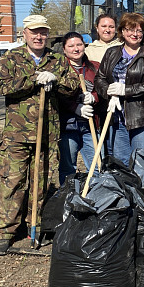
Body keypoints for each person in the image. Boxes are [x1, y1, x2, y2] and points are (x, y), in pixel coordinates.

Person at [0, 15, 79, 255]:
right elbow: (3, 86)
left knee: (40, 184)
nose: (39, 37)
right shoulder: (12, 57)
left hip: (46, 134)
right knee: (12, 182)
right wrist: (33, 79)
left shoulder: (57, 59)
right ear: (25, 33)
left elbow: (73, 86)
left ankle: (35, 226)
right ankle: (7, 232)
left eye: (43, 32)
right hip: (17, 135)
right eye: (34, 32)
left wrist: (56, 78)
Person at [94, 12, 144, 167]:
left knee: (142, 163)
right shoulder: (112, 53)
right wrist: (109, 92)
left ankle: (142, 192)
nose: (135, 34)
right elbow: (99, 78)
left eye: (139, 30)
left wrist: (125, 90)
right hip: (117, 118)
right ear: (123, 31)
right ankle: (126, 191)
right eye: (131, 30)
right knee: (121, 163)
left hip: (141, 117)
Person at [58, 31, 98, 185]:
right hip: (68, 126)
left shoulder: (94, 67)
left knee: (96, 165)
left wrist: (93, 97)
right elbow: (57, 96)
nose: (76, 49)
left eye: (79, 44)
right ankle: (69, 199)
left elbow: (101, 90)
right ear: (64, 49)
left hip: (91, 125)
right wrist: (75, 106)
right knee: (68, 167)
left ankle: (96, 199)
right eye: (71, 46)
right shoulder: (60, 69)